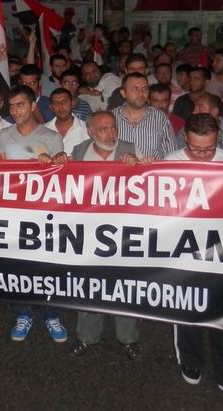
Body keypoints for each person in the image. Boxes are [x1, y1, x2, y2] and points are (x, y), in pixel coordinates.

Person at [165, 113, 223, 411]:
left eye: (209, 148)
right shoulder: (171, 162)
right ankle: (190, 360)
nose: (203, 155)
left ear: (218, 138)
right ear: (185, 139)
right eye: (196, 149)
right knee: (186, 308)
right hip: (183, 250)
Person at [64, 111, 142, 360]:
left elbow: (152, 182)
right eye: (103, 129)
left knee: (124, 286)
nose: (111, 134)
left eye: (113, 128)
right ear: (90, 132)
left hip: (124, 233)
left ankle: (128, 339)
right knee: (89, 285)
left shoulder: (130, 150)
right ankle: (87, 337)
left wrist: (140, 165)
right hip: (89, 232)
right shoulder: (79, 152)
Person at [0, 86, 68, 342]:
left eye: (20, 105)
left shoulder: (51, 136)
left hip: (44, 214)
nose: (15, 110)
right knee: (18, 266)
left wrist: (57, 160)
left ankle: (51, 314)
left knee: (47, 266)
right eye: (12, 106)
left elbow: (61, 177)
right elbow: (0, 173)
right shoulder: (4, 135)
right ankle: (23, 313)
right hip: (14, 213)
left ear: (33, 106)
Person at [112, 72, 177, 159]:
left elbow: (172, 155)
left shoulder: (160, 118)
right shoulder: (111, 117)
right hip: (119, 167)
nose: (141, 93)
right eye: (135, 89)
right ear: (123, 93)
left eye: (144, 89)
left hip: (152, 168)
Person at [45, 88, 89, 155]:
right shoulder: (44, 130)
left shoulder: (86, 129)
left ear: (72, 103)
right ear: (51, 107)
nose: (60, 106)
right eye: (56, 103)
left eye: (64, 102)